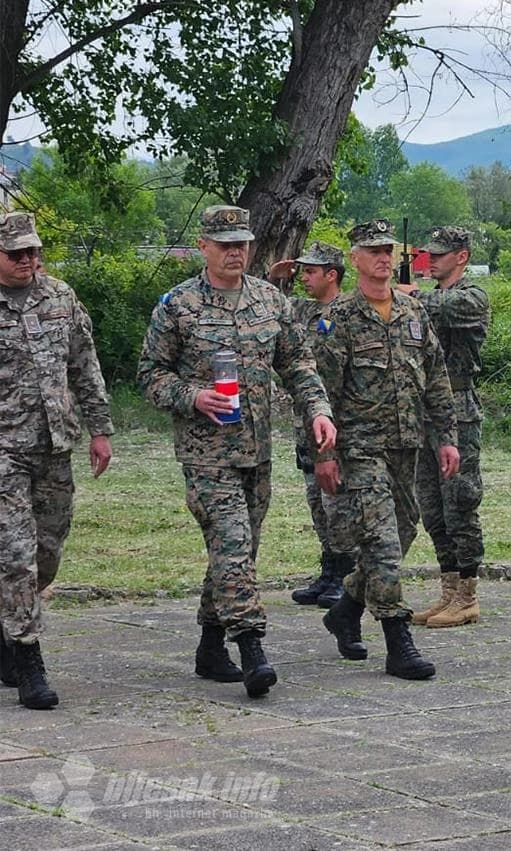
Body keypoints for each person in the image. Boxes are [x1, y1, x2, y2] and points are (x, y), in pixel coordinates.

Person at [138, 205, 336, 700]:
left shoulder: (270, 300)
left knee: (238, 552)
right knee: (231, 543)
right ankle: (251, 649)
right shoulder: (179, 305)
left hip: (257, 450)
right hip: (207, 453)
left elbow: (298, 364)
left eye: (242, 242)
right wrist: (192, 396)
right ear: (203, 246)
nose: (235, 251)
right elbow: (150, 375)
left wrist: (318, 411)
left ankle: (209, 645)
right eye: (225, 243)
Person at [313, 219, 460, 680]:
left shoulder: (414, 312)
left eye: (387, 249)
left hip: (407, 445)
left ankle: (347, 607)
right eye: (371, 250)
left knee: (401, 534)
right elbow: (319, 392)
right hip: (358, 448)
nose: (382, 257)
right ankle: (398, 639)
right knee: (381, 541)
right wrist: (323, 455)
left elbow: (435, 377)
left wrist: (448, 437)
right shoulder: (338, 319)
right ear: (353, 258)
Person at [0, 211, 114, 710]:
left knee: (48, 550)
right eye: (16, 253)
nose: (29, 260)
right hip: (4, 449)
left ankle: (7, 626)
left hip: (55, 445)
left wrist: (101, 428)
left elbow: (84, 364)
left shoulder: (61, 297)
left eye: (34, 251)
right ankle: (29, 661)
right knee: (17, 557)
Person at [409, 226, 490, 629]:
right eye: (430, 254)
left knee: (460, 501)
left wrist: (410, 297)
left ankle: (468, 593)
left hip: (458, 410)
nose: (432, 260)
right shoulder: (429, 297)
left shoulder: (472, 296)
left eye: (440, 254)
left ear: (461, 256)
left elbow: (442, 308)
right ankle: (449, 587)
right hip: (424, 410)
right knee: (432, 505)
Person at [269, 242, 359, 609]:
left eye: (310, 272)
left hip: (336, 422)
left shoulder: (350, 312)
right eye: (302, 271)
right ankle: (328, 568)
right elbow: (270, 313)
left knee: (337, 501)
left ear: (331, 274)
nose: (304, 277)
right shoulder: (302, 309)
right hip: (305, 422)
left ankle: (346, 574)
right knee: (316, 501)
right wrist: (276, 282)